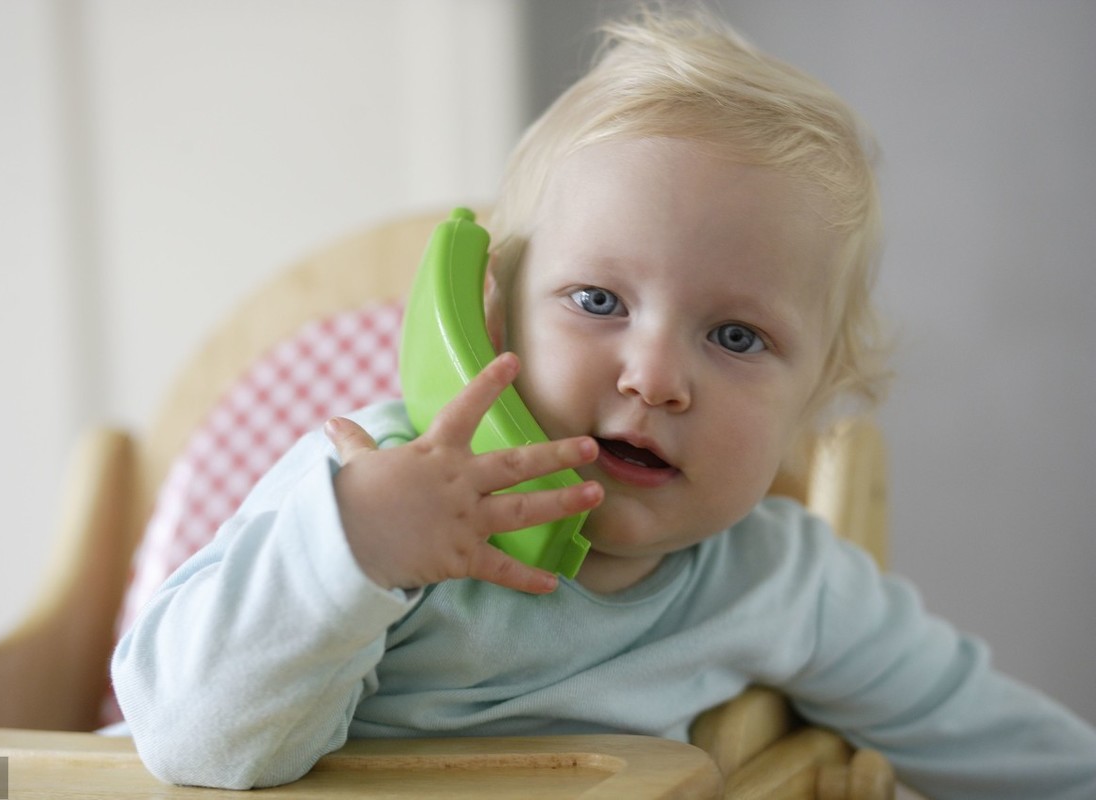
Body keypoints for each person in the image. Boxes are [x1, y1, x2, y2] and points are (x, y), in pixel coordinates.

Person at [109, 8, 1096, 797]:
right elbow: (191, 738)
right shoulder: (372, 483)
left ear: (815, 401)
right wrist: (355, 548)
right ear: (491, 315)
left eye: (737, 336)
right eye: (598, 301)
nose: (654, 375)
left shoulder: (782, 579)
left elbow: (987, 735)